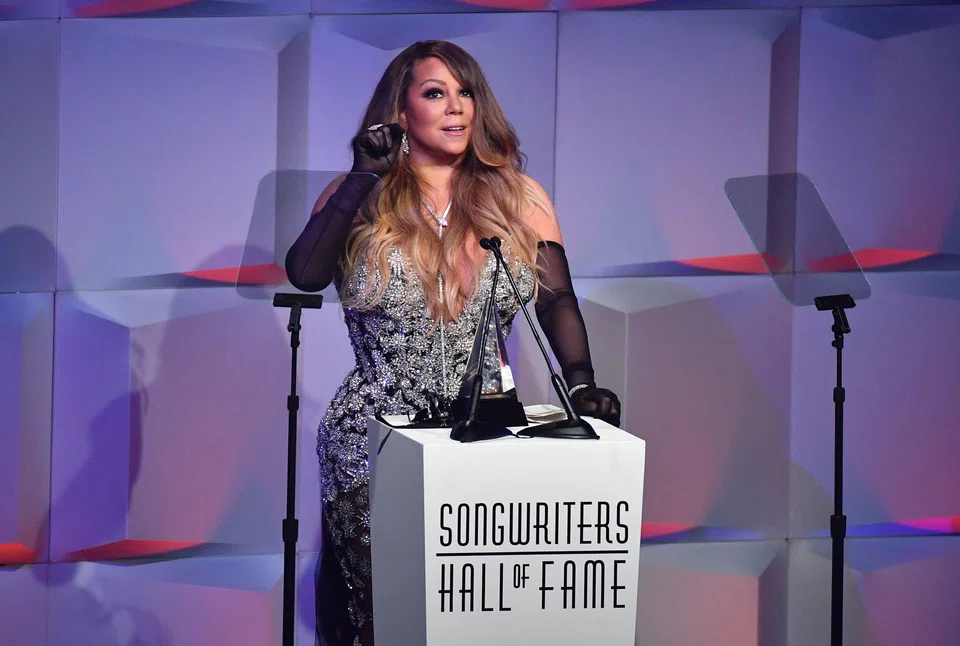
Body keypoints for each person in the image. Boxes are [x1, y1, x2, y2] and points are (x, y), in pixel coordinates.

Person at [285, 40, 621, 646]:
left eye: (465, 92)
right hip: (372, 440)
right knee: (385, 616)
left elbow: (557, 302)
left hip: (483, 436)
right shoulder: (357, 194)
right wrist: (364, 175)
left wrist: (581, 385)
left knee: (473, 616)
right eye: (435, 93)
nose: (456, 107)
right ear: (400, 110)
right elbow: (305, 274)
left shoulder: (519, 197)